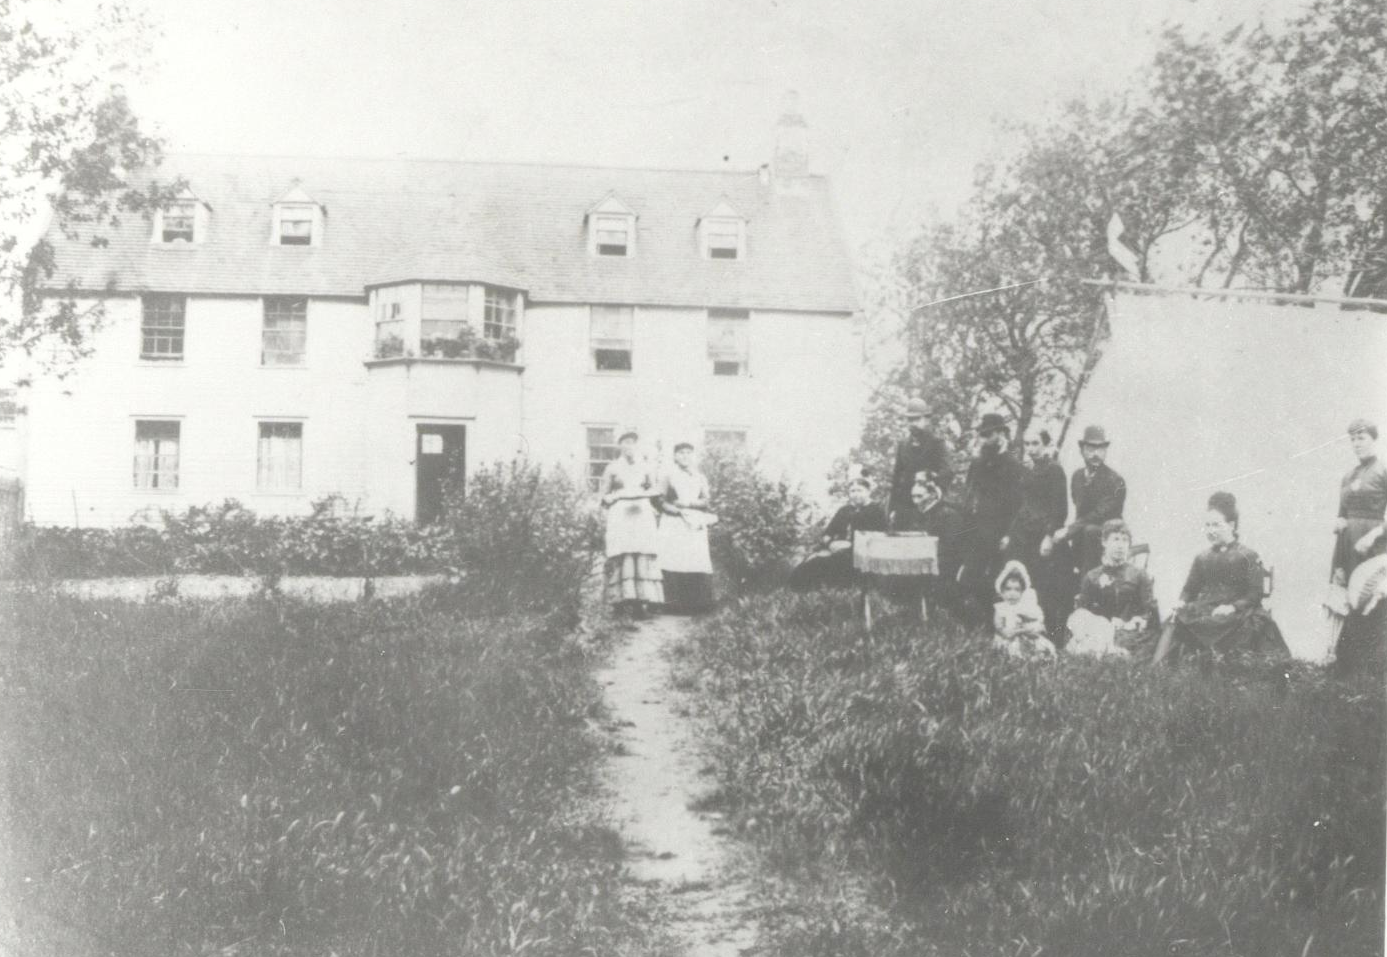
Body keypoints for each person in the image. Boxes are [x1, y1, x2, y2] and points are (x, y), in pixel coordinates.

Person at [1152, 491, 1288, 663]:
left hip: (1239, 612)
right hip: (1207, 607)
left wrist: (1232, 607)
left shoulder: (1248, 555)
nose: (1210, 531)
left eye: (1216, 525)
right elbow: (1190, 589)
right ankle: (1159, 671)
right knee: (1176, 620)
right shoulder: (1202, 557)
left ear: (1231, 525)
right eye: (1207, 525)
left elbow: (1254, 594)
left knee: (1237, 626)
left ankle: (1223, 670)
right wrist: (1182, 601)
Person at [960, 412, 1024, 625]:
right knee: (969, 577)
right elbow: (969, 495)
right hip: (977, 530)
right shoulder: (977, 463)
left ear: (1000, 434)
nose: (984, 439)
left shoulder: (1013, 465)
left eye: (988, 434)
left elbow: (1018, 505)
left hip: (1001, 532)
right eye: (982, 435)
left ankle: (995, 626)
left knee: (997, 580)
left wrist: (1009, 534)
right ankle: (979, 623)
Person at [1005, 428, 1069, 637]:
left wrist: (1049, 537)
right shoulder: (1026, 470)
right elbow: (1022, 505)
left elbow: (1060, 509)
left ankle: (1049, 632)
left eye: (1035, 444)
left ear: (1045, 445)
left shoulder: (1054, 470)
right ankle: (1020, 630)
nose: (1031, 449)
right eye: (1027, 444)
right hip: (1023, 533)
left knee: (1045, 586)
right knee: (1022, 580)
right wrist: (1010, 533)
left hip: (1042, 535)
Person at [1066, 519, 1159, 658]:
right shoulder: (1092, 576)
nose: (1120, 546)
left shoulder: (1139, 575)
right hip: (1100, 630)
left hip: (1130, 631)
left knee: (1124, 648)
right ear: (1104, 542)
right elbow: (1081, 611)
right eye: (1115, 539)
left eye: (1124, 541)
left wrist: (1135, 621)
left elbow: (1150, 611)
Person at [598, 431, 664, 618]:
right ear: (620, 446)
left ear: (637, 445)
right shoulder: (612, 468)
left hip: (641, 512)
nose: (629, 446)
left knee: (641, 552)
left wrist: (643, 494)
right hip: (620, 514)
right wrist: (616, 496)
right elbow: (603, 495)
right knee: (622, 552)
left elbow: (656, 489)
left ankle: (640, 602)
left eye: (632, 443)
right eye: (625, 443)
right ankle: (618, 602)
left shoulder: (646, 466)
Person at [790, 474, 885, 590]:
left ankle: (830, 591)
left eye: (859, 490)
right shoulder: (844, 510)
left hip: (861, 554)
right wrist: (829, 543)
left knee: (823, 563)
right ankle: (803, 591)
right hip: (836, 548)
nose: (855, 494)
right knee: (810, 561)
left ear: (868, 492)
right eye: (852, 491)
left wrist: (850, 545)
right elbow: (829, 531)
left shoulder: (876, 511)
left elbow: (878, 538)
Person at [891, 470, 967, 616]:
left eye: (920, 496)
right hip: (922, 560)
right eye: (913, 496)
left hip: (944, 563)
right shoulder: (917, 514)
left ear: (932, 495)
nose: (915, 501)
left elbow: (951, 546)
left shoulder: (948, 514)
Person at [659, 442, 717, 614]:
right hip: (674, 521)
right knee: (674, 558)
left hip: (694, 520)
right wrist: (677, 511)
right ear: (675, 456)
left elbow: (706, 501)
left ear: (692, 456)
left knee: (695, 558)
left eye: (688, 453)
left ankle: (697, 605)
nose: (685, 456)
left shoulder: (699, 477)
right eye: (681, 453)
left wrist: (689, 504)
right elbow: (659, 501)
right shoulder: (668, 476)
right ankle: (674, 605)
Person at [888, 396, 953, 523]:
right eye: (910, 419)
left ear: (926, 420)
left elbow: (947, 471)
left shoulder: (937, 443)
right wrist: (893, 508)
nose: (913, 423)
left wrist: (935, 490)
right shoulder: (903, 445)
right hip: (905, 505)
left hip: (929, 505)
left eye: (917, 419)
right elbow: (896, 478)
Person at [992, 560, 1055, 659]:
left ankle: (1036, 657)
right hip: (1008, 639)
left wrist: (1032, 629)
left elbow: (1037, 625)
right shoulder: (1001, 608)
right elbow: (1001, 629)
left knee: (1043, 647)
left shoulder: (1025, 607)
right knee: (1013, 649)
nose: (1012, 593)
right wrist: (1017, 631)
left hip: (1026, 637)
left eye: (1017, 589)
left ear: (1022, 592)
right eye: (1008, 589)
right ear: (1002, 591)